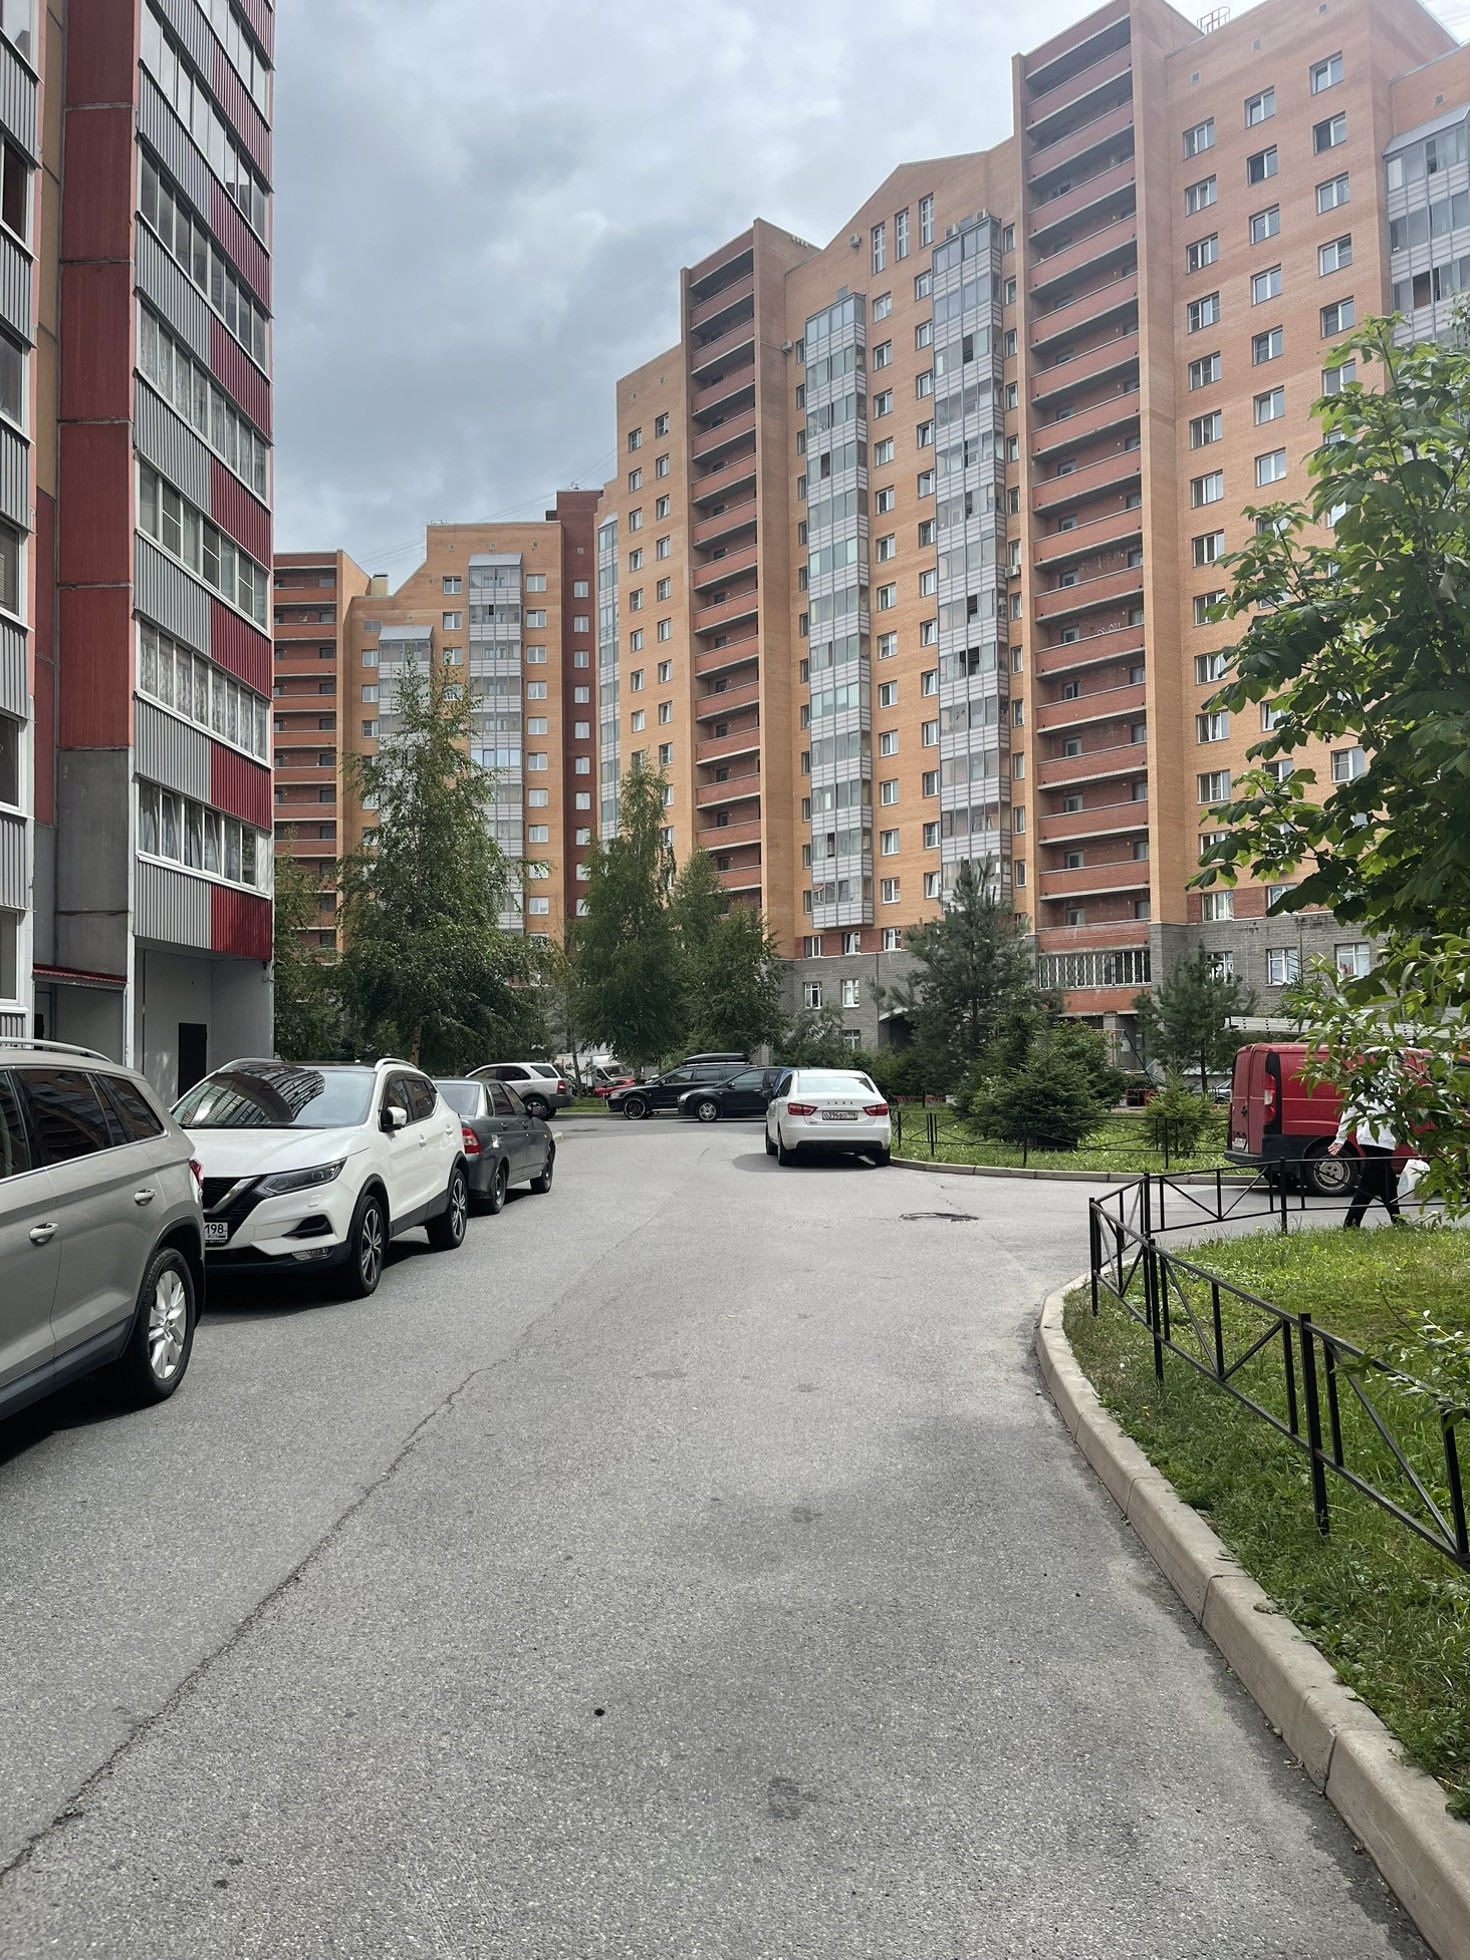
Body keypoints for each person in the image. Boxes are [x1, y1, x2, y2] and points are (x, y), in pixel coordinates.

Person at [1328, 1091, 1402, 1228]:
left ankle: (1395, 1219)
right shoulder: (1368, 1084)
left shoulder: (1385, 1083)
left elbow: (1350, 1110)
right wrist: (1340, 1138)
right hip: (1377, 1137)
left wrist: (1341, 1137)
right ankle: (1352, 1222)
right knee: (1377, 1180)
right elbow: (1351, 1110)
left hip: (1377, 1137)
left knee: (1383, 1180)